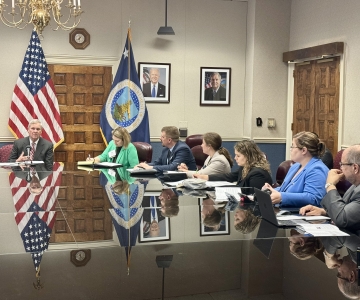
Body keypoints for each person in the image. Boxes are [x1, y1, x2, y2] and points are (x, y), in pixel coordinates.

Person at [299, 144, 360, 231]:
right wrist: (324, 212)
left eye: (342, 164)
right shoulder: (355, 184)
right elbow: (346, 210)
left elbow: (342, 219)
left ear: (355, 168)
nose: (341, 168)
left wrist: (330, 185)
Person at [262, 131, 328, 207]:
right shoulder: (295, 166)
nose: (291, 150)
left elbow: (313, 198)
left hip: (303, 215)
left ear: (304, 150)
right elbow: (284, 190)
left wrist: (281, 197)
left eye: (293, 146)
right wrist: (269, 191)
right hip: (287, 211)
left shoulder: (317, 169)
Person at [194, 139, 272, 189]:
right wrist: (205, 177)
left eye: (238, 156)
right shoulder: (245, 167)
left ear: (248, 157)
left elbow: (253, 197)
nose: (235, 158)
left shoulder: (257, 174)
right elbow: (229, 176)